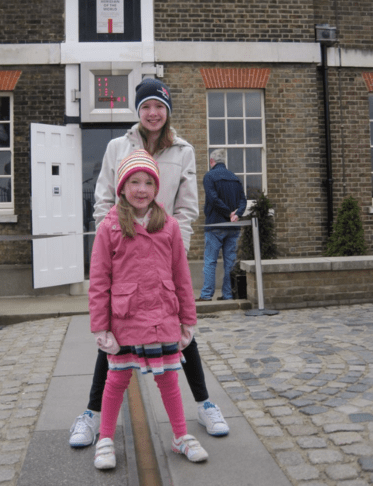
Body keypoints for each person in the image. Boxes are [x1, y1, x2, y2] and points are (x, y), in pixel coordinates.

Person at [69, 78, 229, 448]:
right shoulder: (117, 147)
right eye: (146, 107)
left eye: (159, 107)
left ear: (167, 111)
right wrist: (111, 244)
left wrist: (175, 247)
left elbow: (188, 205)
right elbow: (104, 198)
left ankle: (204, 404)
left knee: (181, 332)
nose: (153, 113)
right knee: (112, 336)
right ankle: (92, 415)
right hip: (124, 249)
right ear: (137, 112)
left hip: (164, 245)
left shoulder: (184, 150)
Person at [89, 150, 208, 469]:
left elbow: (182, 276)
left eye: (147, 182)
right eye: (133, 182)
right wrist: (101, 327)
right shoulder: (109, 227)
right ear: (122, 187)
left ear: (156, 188)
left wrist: (188, 321)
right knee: (117, 379)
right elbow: (99, 280)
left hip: (162, 317)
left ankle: (180, 435)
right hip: (125, 319)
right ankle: (105, 439)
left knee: (169, 378)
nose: (141, 189)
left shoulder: (168, 226)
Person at [196, 149, 247, 302]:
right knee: (230, 262)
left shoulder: (209, 176)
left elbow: (213, 199)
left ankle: (206, 295)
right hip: (233, 227)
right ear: (224, 162)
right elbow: (243, 201)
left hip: (215, 225)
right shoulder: (235, 178)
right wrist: (237, 214)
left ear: (212, 161)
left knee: (210, 261)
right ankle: (228, 294)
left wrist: (228, 213)